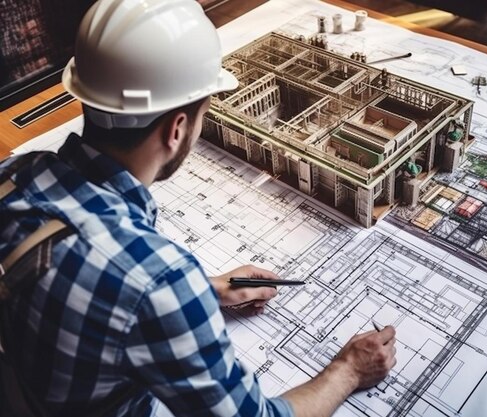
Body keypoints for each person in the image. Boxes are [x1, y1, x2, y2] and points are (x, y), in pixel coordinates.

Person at [0, 1, 397, 416]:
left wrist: (205, 291)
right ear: (177, 129)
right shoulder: (158, 281)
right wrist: (348, 370)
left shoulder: (11, 171)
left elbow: (71, 284)